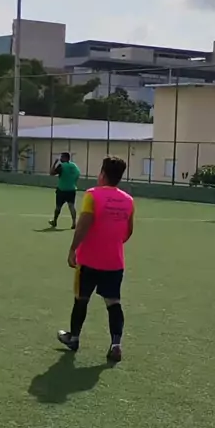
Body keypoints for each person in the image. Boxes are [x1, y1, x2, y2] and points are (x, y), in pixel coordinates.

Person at [57, 156, 134, 364]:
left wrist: (73, 249)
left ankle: (74, 338)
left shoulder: (92, 195)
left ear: (102, 174)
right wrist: (111, 242)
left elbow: (83, 225)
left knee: (81, 299)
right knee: (113, 302)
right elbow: (128, 231)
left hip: (89, 260)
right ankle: (116, 344)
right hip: (114, 261)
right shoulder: (128, 200)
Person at [49, 152, 80, 229]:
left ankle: (55, 221)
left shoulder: (61, 166)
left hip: (62, 189)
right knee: (71, 206)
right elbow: (77, 174)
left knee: (58, 207)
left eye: (62, 157)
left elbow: (51, 173)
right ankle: (74, 223)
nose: (61, 158)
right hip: (72, 189)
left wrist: (54, 163)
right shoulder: (74, 166)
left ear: (66, 158)